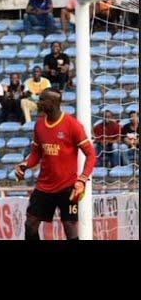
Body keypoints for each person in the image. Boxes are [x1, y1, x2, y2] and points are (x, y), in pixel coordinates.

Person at [15, 89, 97, 241]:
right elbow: (36, 154)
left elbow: (91, 154)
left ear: (52, 103)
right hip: (44, 186)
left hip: (67, 187)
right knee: (30, 224)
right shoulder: (39, 125)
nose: (39, 103)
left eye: (42, 100)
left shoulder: (72, 125)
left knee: (70, 227)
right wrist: (25, 165)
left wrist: (83, 179)